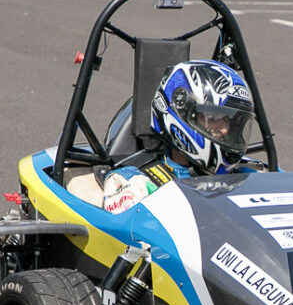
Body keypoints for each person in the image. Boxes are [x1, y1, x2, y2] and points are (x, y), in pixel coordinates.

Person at [102, 59, 255, 213]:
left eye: (229, 120)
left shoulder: (251, 175)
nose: (225, 129)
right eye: (214, 118)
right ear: (183, 113)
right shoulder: (134, 183)